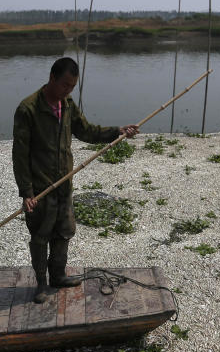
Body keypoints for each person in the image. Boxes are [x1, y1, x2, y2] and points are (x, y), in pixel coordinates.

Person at [12, 57, 138, 304]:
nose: (68, 91)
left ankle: (58, 276)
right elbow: (19, 155)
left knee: (64, 232)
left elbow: (86, 130)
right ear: (52, 78)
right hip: (40, 188)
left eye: (72, 87)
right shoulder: (28, 109)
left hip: (64, 184)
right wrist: (26, 192)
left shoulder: (67, 104)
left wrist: (117, 131)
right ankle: (41, 284)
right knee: (40, 237)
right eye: (65, 85)